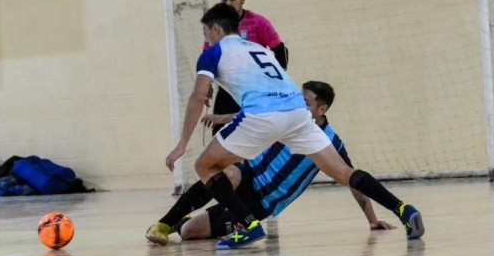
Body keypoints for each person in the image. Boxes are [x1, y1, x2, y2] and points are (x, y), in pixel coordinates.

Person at [165, 3, 424, 250]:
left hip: (262, 117)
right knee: (345, 172)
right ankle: (403, 209)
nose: (206, 39)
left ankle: (248, 225)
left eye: (206, 33)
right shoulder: (258, 49)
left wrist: (181, 146)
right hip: (298, 113)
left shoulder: (212, 53)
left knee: (204, 165)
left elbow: (198, 98)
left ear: (217, 29)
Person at [146, 81, 395, 245]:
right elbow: (257, 116)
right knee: (226, 171)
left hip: (262, 202)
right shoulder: (287, 118)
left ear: (322, 109)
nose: (297, 105)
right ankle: (166, 222)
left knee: (190, 233)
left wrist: (372, 220)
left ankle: (184, 223)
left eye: (305, 103)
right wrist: (222, 117)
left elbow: (353, 181)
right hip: (248, 175)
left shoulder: (331, 144)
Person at [209, 0, 289, 135]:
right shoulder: (216, 27)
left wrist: (276, 82)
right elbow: (208, 57)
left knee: (257, 134)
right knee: (220, 134)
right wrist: (206, 84)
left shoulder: (259, 23)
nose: (228, 4)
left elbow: (280, 50)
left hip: (255, 89)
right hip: (228, 89)